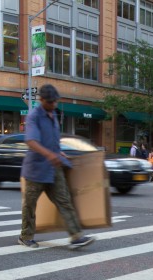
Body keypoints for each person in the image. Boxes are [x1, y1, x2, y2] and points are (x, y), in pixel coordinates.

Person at [18, 84, 94, 249]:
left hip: (54, 168)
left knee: (65, 201)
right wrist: (50, 154)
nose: (54, 105)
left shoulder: (53, 115)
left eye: (55, 102)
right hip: (36, 170)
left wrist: (59, 152)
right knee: (30, 205)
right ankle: (25, 236)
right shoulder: (34, 116)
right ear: (42, 100)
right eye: (51, 102)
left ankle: (76, 236)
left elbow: (52, 139)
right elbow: (31, 141)